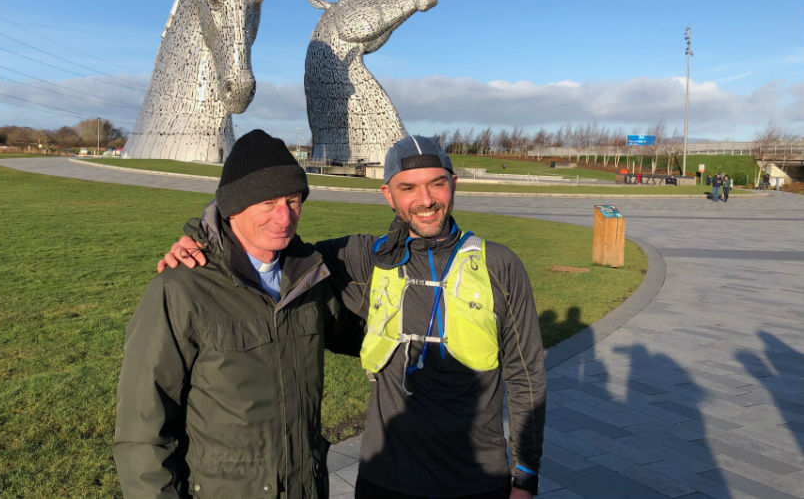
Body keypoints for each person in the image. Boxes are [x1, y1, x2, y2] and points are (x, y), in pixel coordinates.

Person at [164, 135, 546, 498]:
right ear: (388, 195)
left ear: (454, 184)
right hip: (387, 477)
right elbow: (272, 243)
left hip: (477, 478)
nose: (426, 200)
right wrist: (202, 237)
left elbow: (526, 374)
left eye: (437, 184)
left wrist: (525, 477)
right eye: (408, 188)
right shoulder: (362, 258)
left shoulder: (499, 265)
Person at [113, 129, 363, 499]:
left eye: (294, 200)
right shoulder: (181, 290)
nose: (284, 216)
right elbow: (142, 428)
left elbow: (366, 336)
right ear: (233, 207)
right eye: (267, 203)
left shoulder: (310, 280)